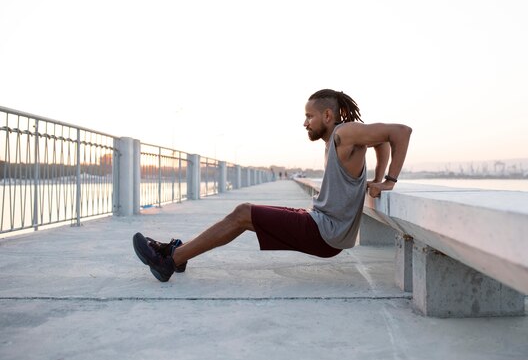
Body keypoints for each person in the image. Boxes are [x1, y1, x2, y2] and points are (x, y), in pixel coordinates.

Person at [133, 89, 412, 282]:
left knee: (244, 213)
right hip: (321, 224)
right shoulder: (344, 137)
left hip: (325, 232)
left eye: (309, 116)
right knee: (246, 218)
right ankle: (178, 254)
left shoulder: (343, 133)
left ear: (328, 115)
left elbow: (398, 133)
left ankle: (170, 261)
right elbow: (382, 141)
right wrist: (376, 179)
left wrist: (387, 180)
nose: (305, 123)